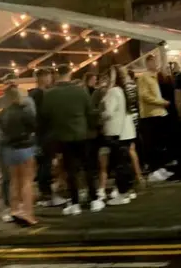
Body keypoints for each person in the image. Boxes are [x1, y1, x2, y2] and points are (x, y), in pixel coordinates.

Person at [41, 65, 104, 215]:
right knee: (88, 167)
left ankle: (75, 203)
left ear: (57, 74)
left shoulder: (49, 94)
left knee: (70, 170)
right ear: (70, 73)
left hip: (62, 136)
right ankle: (94, 199)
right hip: (82, 134)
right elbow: (90, 113)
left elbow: (44, 117)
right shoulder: (80, 91)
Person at [0, 85, 38, 226]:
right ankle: (28, 213)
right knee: (27, 181)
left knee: (14, 181)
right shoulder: (25, 112)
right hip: (24, 147)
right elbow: (33, 126)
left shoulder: (1, 113)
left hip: (9, 148)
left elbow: (0, 128)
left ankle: (14, 209)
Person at [29, 68, 66, 207]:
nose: (51, 79)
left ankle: (46, 193)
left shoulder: (34, 94)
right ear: (43, 77)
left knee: (44, 164)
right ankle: (47, 195)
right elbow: (42, 115)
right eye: (49, 76)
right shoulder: (39, 94)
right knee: (45, 164)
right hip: (44, 134)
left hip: (41, 134)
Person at [101, 66, 137, 205]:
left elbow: (109, 112)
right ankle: (127, 191)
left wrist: (101, 114)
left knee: (120, 165)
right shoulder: (122, 90)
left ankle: (122, 193)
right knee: (125, 163)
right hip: (126, 132)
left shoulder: (112, 92)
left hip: (116, 132)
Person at [138, 55, 173, 182]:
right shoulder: (144, 78)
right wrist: (161, 102)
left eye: (155, 61)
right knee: (152, 144)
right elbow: (144, 96)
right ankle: (154, 170)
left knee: (159, 143)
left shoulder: (154, 77)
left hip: (158, 113)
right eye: (153, 62)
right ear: (147, 63)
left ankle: (159, 168)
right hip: (150, 115)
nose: (155, 64)